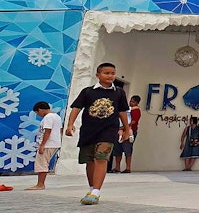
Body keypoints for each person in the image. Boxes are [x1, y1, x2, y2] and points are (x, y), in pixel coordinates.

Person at [64, 62, 131, 205]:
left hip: (109, 131)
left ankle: (96, 192)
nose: (110, 76)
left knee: (101, 158)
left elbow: (122, 111)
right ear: (98, 75)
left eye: (113, 73)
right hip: (89, 131)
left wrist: (126, 128)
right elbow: (76, 108)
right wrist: (70, 124)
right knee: (89, 161)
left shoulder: (119, 92)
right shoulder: (88, 92)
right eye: (106, 73)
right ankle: (91, 188)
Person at [26, 102, 62, 190]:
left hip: (48, 144)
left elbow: (47, 131)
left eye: (37, 113)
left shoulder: (48, 117)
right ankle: (40, 184)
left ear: (40, 110)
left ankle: (40, 184)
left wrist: (42, 145)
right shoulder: (56, 116)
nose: (38, 115)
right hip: (54, 142)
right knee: (43, 163)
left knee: (42, 163)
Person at [112, 95, 141, 173]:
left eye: (133, 101)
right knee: (117, 149)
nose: (131, 102)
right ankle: (117, 167)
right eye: (130, 101)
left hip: (129, 130)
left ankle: (128, 167)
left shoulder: (136, 111)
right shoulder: (126, 109)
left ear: (137, 103)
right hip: (120, 130)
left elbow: (134, 121)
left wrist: (124, 127)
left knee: (127, 149)